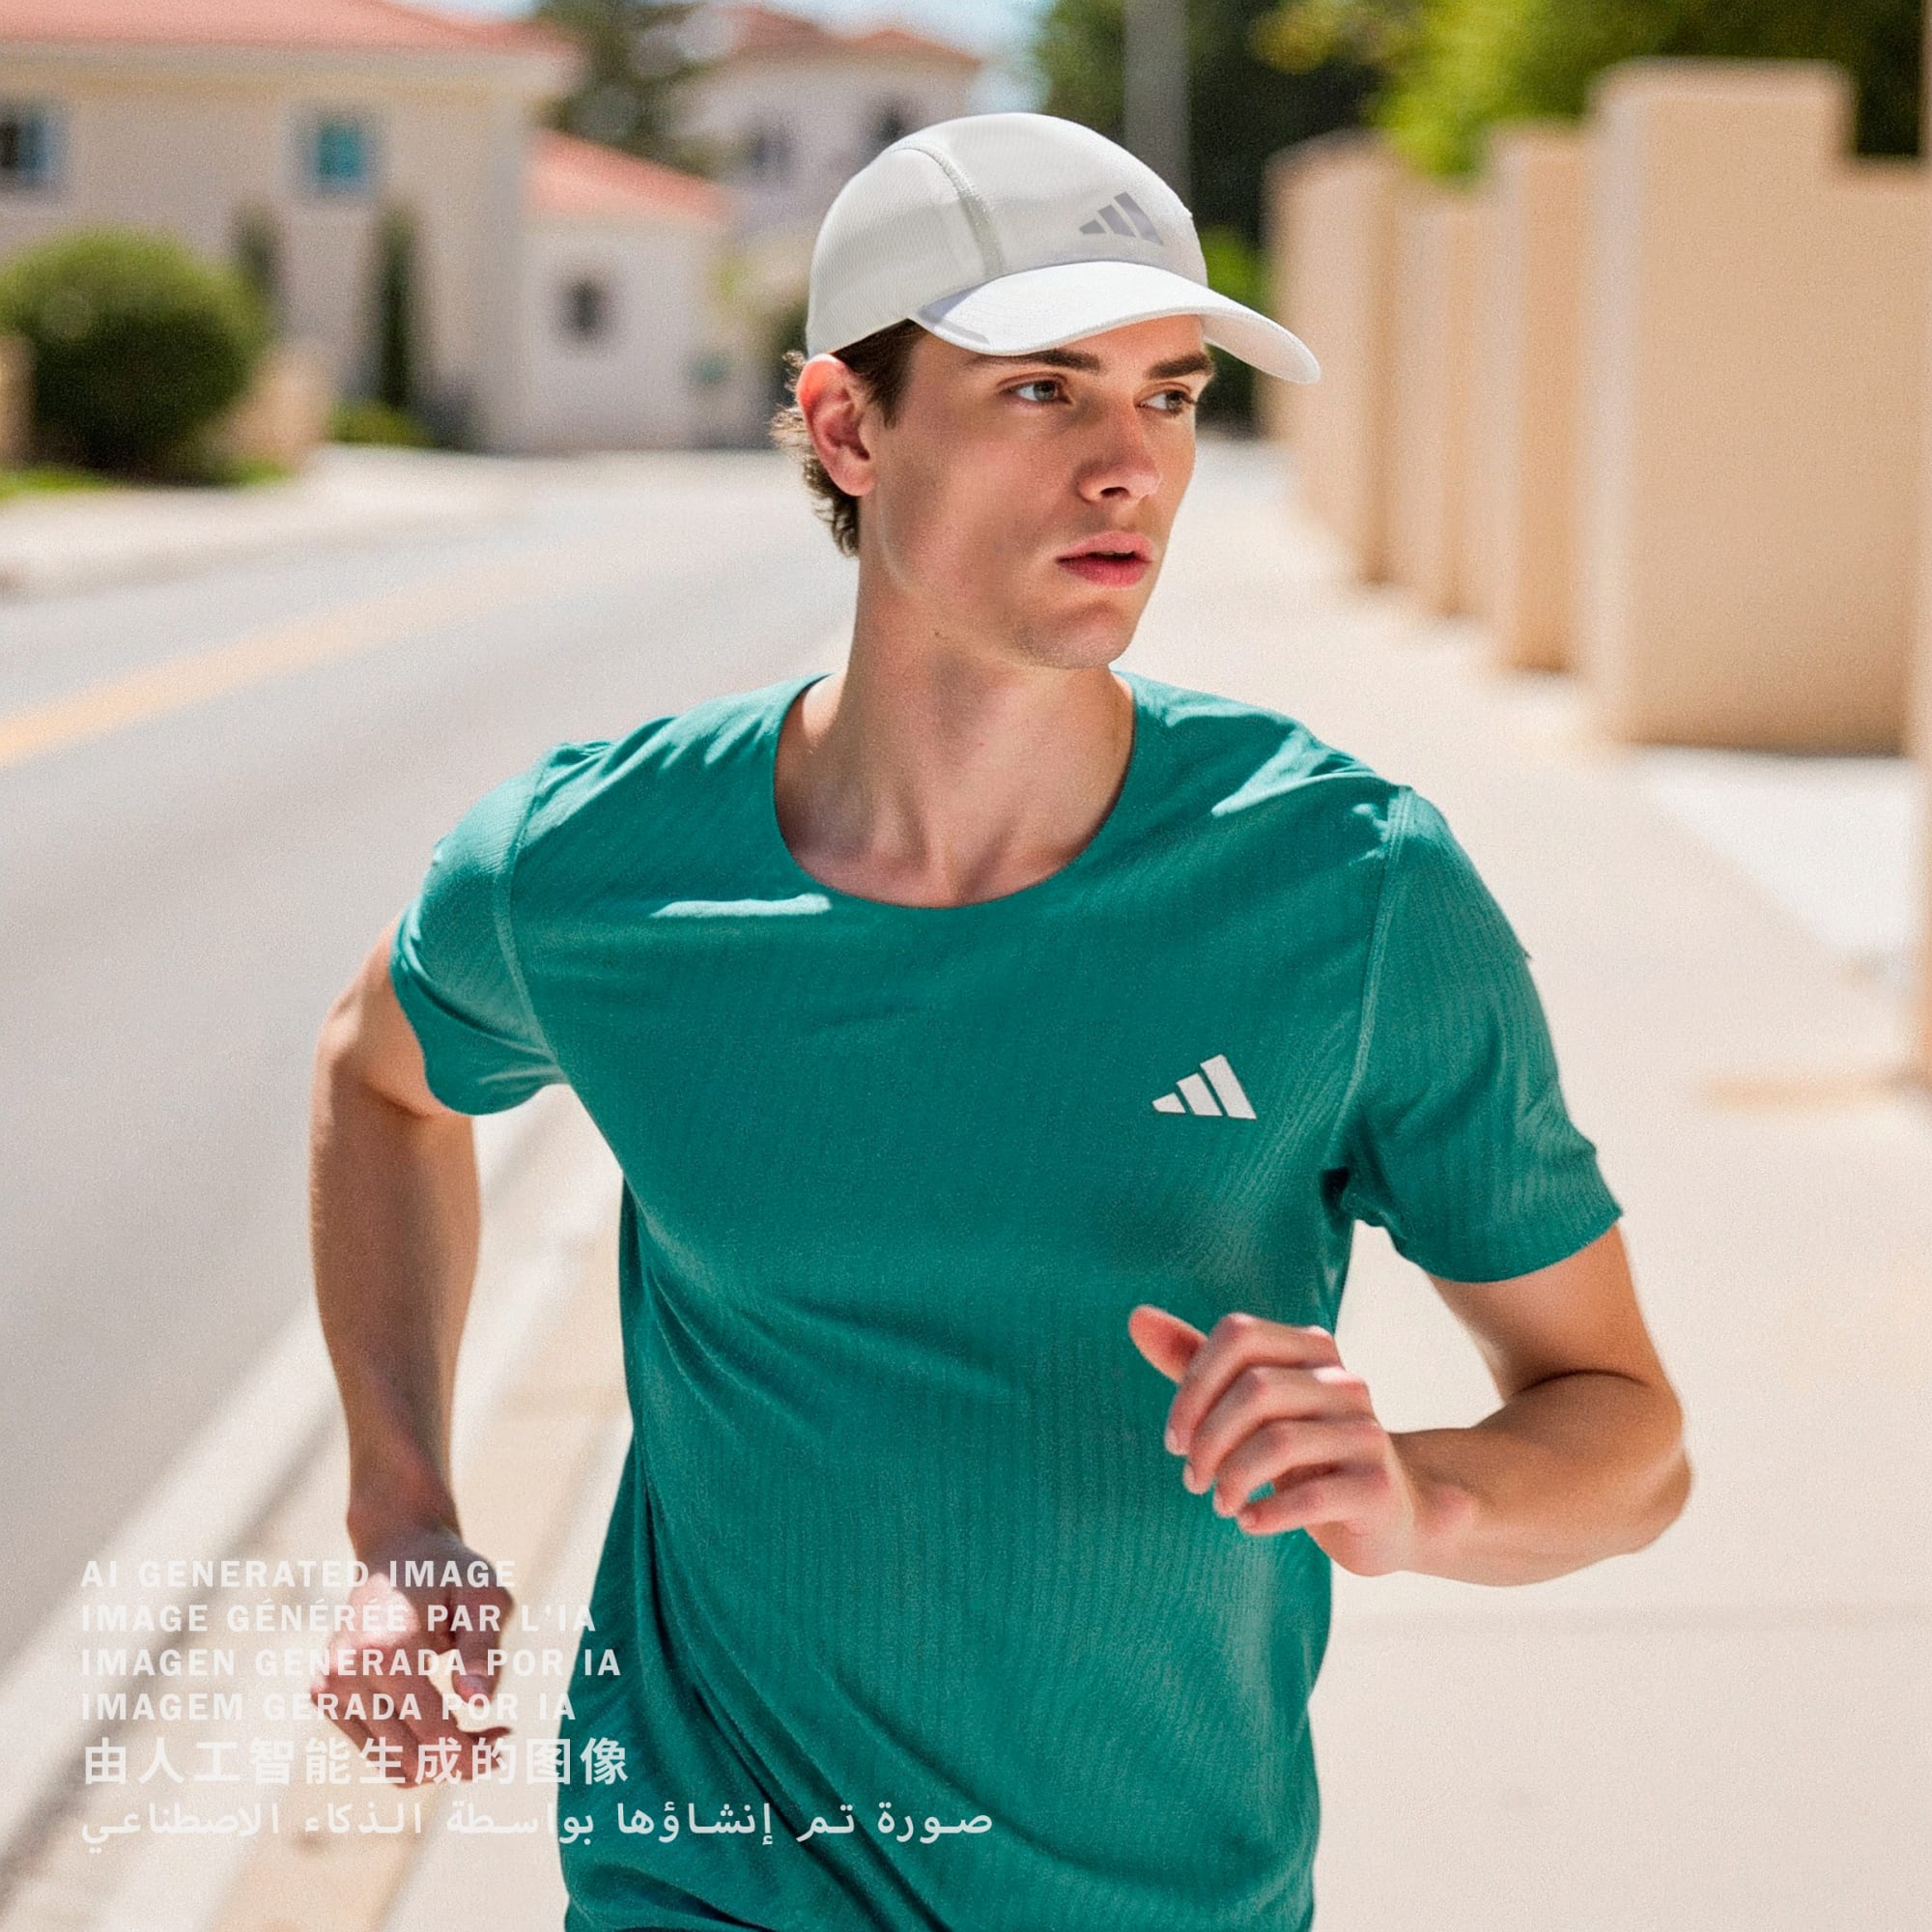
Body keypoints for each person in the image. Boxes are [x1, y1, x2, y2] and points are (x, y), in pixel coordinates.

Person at [308, 111, 1690, 1932]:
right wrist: (402, 1516)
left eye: (1170, 397)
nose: (1131, 468)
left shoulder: (1345, 889)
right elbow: (382, 1084)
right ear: (846, 426)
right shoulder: (591, 866)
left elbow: (1626, 1439)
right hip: (702, 1882)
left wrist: (1422, 1498)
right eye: (1044, 391)